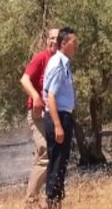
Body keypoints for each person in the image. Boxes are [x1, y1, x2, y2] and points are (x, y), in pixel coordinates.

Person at [20, 28, 59, 208]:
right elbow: (25, 80)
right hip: (38, 114)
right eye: (51, 38)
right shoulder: (41, 58)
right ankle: (31, 200)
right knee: (45, 151)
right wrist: (35, 97)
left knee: (49, 155)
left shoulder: (60, 62)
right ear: (46, 40)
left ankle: (49, 200)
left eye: (58, 39)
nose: (54, 41)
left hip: (54, 115)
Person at [42, 27, 78, 209]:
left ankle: (56, 202)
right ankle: (52, 202)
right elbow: (51, 96)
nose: (76, 46)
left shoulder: (64, 63)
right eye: (73, 42)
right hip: (58, 117)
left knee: (61, 162)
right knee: (56, 163)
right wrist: (57, 125)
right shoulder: (58, 63)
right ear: (64, 43)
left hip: (64, 116)